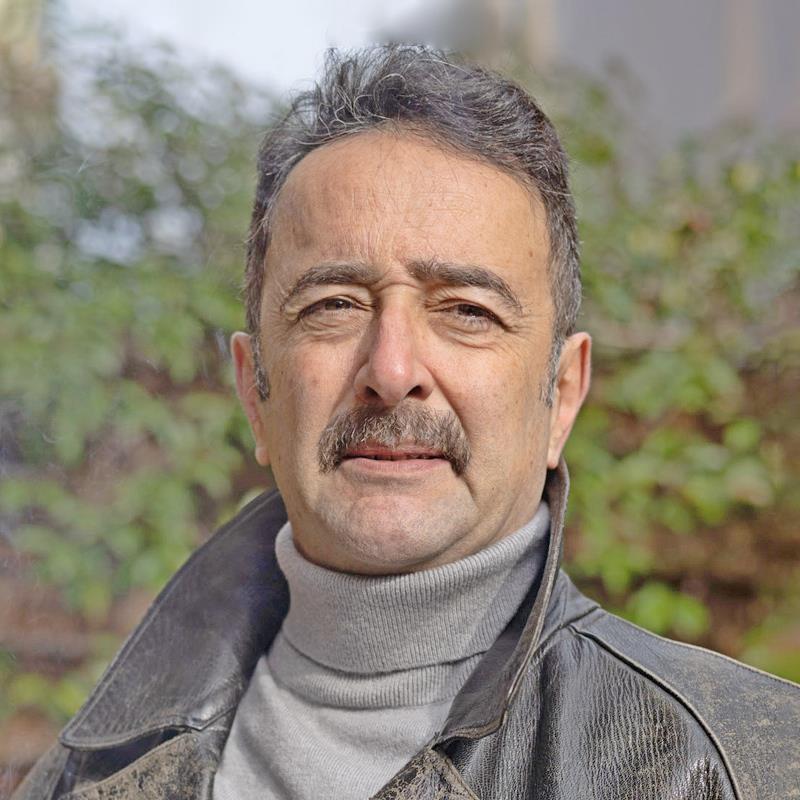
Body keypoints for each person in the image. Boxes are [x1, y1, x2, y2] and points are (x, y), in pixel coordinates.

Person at [14, 45, 799, 800]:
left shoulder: (733, 768)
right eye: (334, 305)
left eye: (466, 311)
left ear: (561, 395)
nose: (391, 372)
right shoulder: (92, 773)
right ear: (255, 391)